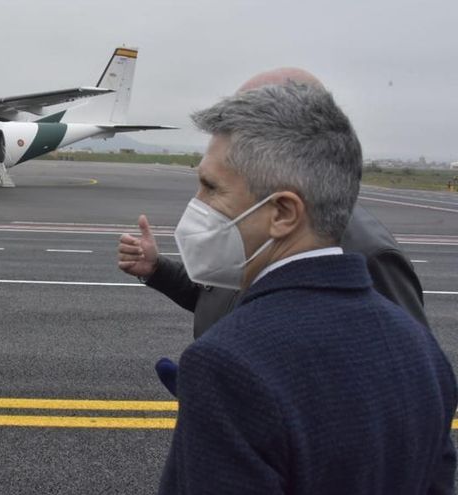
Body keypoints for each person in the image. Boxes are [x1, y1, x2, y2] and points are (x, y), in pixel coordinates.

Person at [139, 79, 456, 493]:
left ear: (284, 213)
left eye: (211, 187)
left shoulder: (226, 365)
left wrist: (223, 407)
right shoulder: (422, 350)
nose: (197, 204)